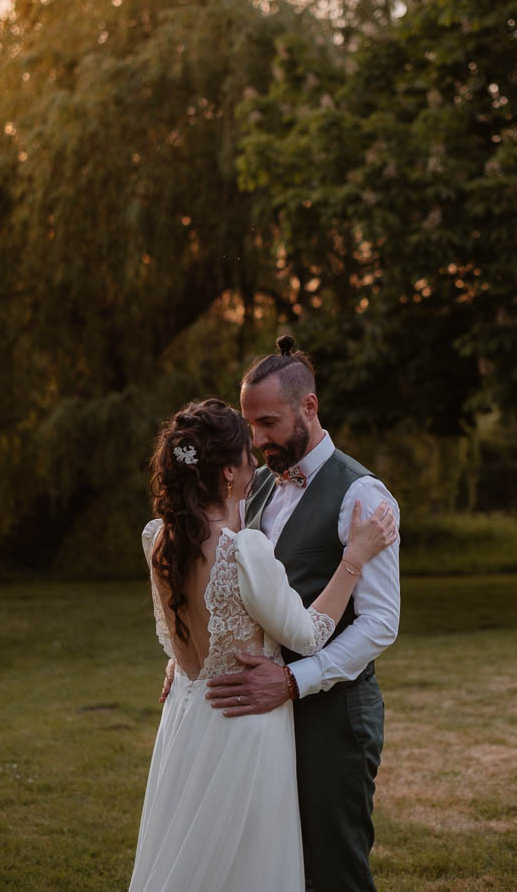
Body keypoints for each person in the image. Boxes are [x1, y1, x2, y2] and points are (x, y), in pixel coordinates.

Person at [131, 397, 397, 891]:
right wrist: (354, 558)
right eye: (246, 452)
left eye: (265, 424)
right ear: (228, 473)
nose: (256, 453)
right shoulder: (243, 547)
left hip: (189, 719)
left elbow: (189, 629)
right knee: (249, 865)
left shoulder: (161, 539)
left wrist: (186, 662)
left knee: (195, 857)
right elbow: (310, 633)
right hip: (245, 727)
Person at [203, 335, 401, 892]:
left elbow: (380, 623)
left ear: (309, 407)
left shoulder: (363, 495)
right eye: (251, 425)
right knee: (273, 866)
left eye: (268, 423)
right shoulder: (259, 485)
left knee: (333, 870)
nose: (257, 440)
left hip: (333, 718)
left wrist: (293, 681)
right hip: (263, 720)